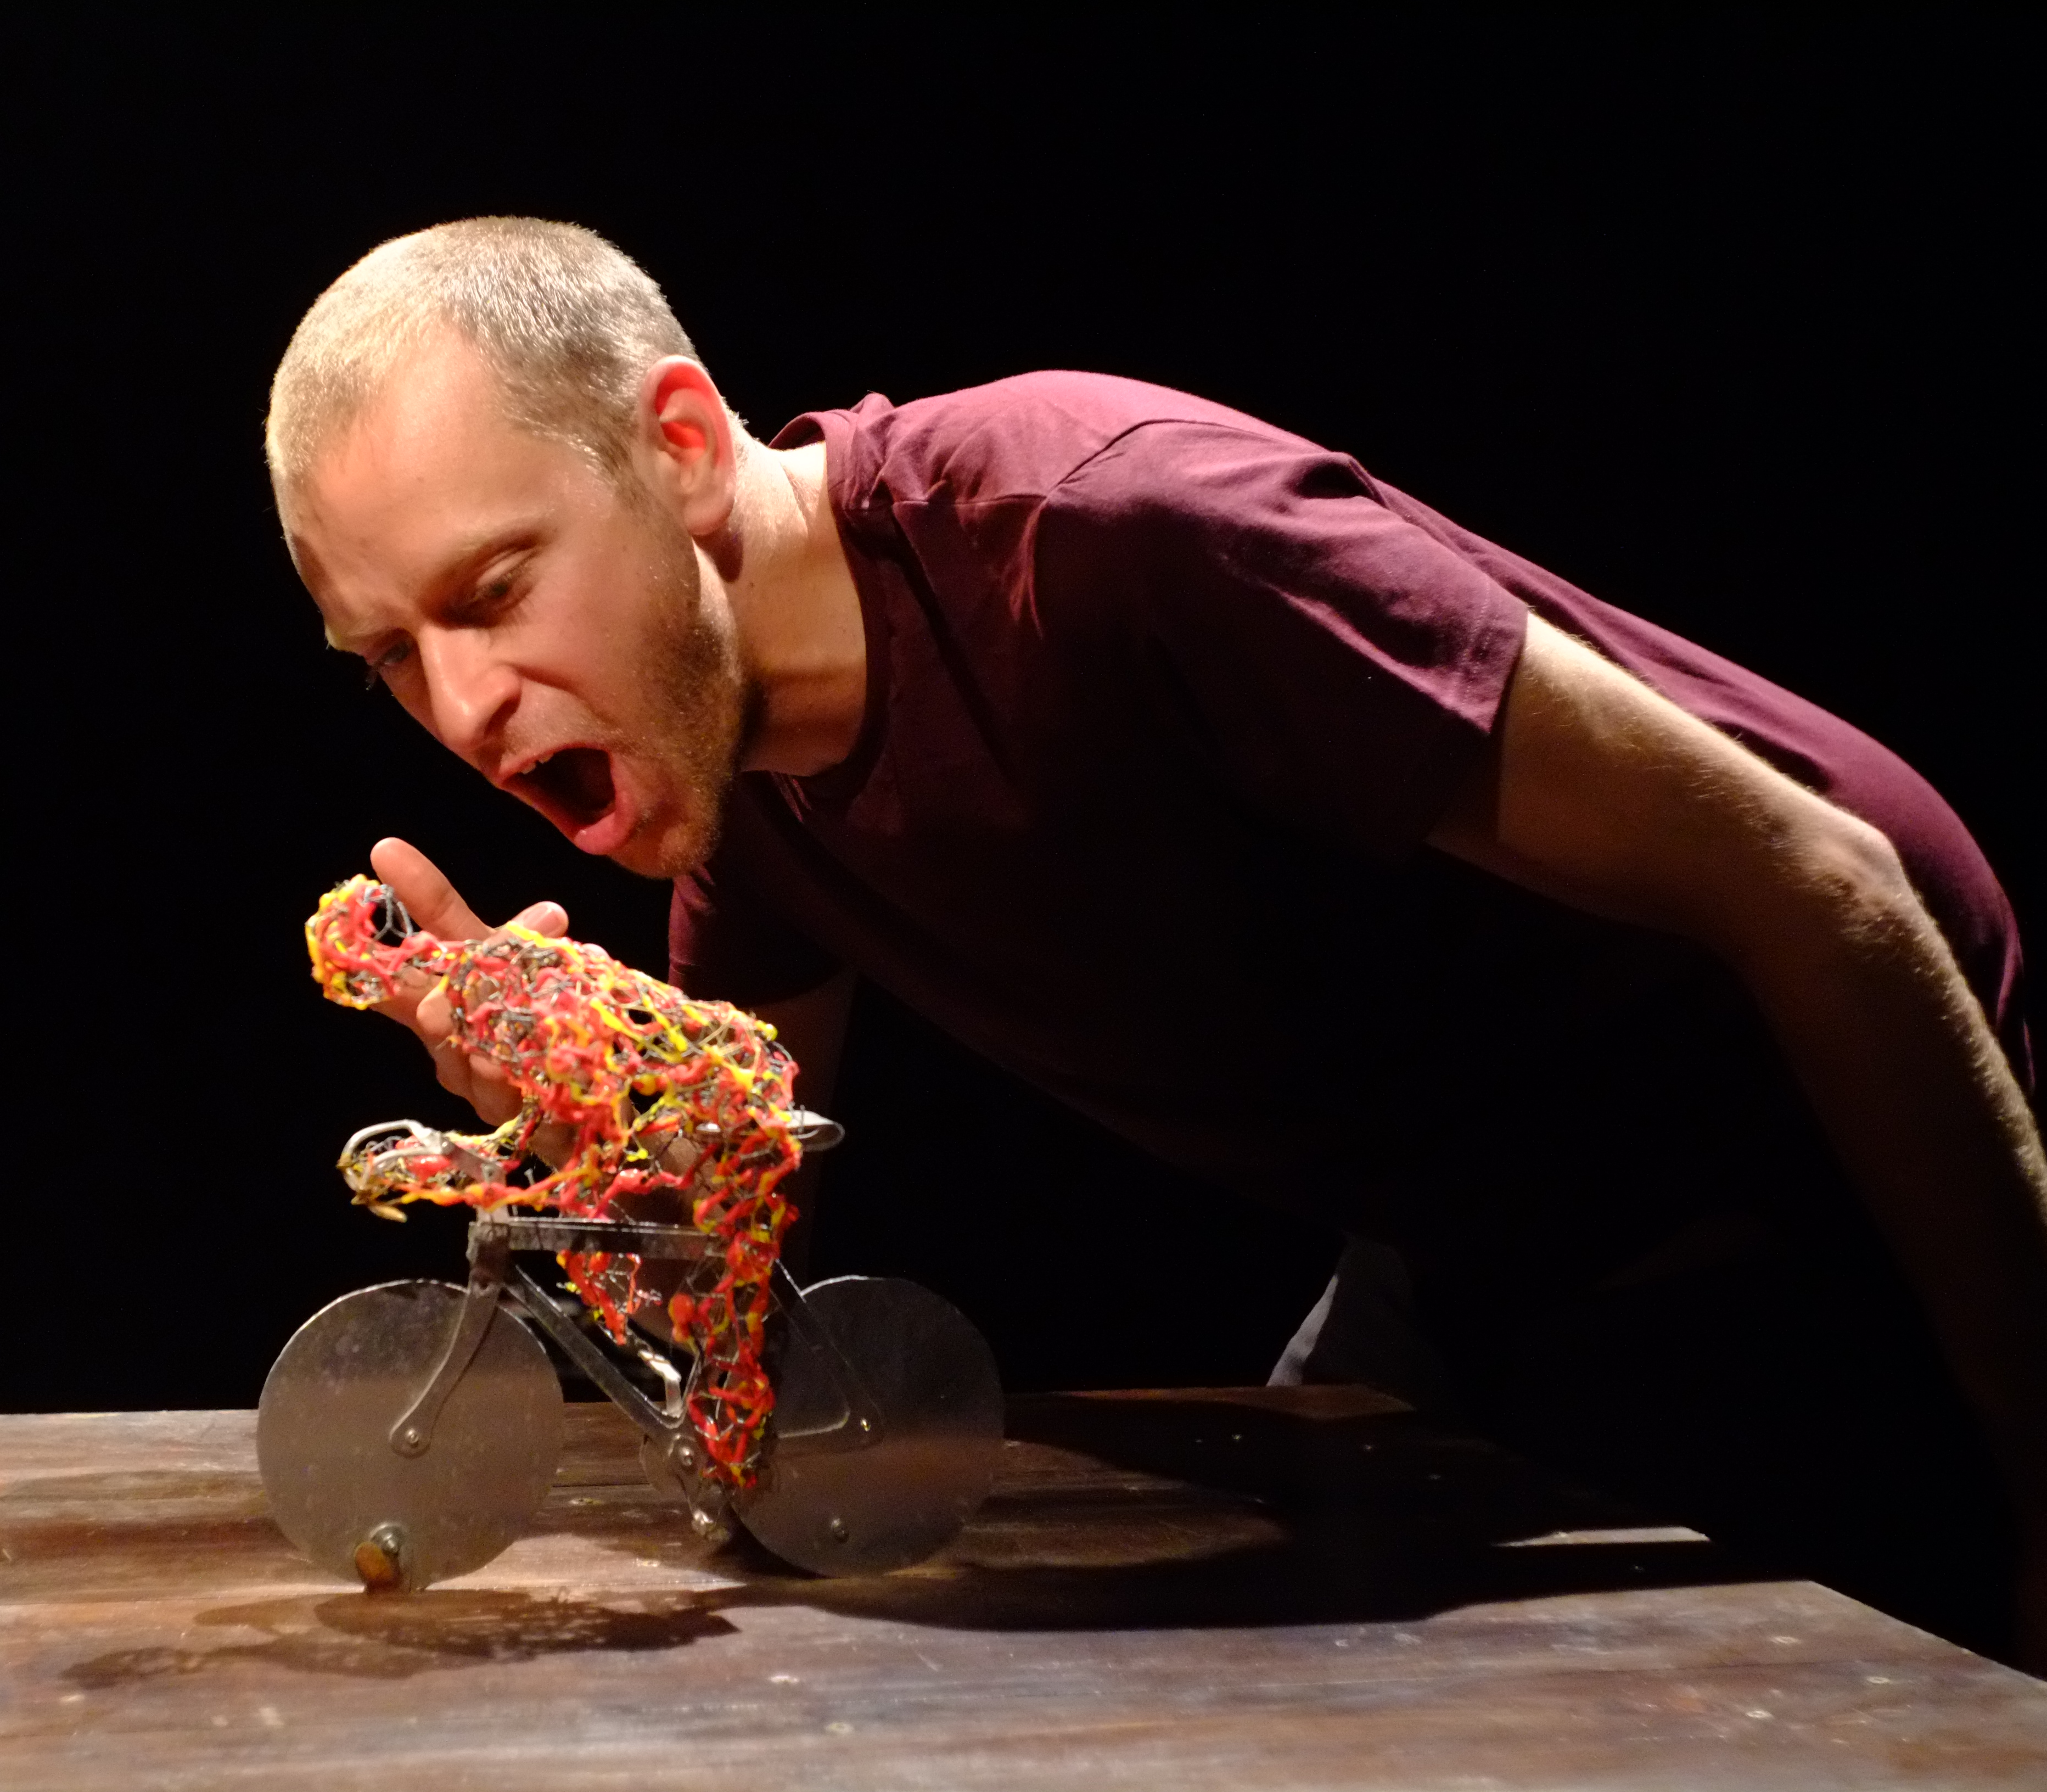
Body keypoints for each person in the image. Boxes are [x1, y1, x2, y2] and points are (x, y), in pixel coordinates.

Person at [263, 217, 2046, 1666]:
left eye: (495, 591)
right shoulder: (736, 787)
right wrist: (576, 1116)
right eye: (391, 656)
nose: (464, 708)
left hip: (1815, 1141)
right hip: (1483, 1221)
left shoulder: (1106, 539)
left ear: (679, 447)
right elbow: (708, 1259)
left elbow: (1827, 880)